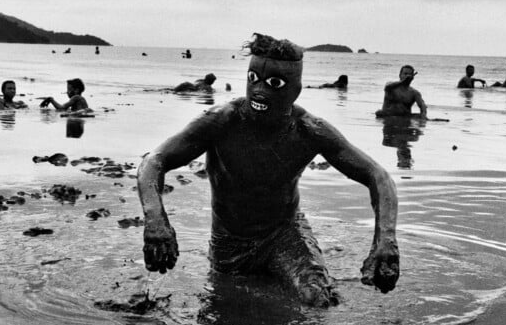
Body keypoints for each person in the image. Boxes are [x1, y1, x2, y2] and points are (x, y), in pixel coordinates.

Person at [137, 33, 400, 307]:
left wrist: (386, 241)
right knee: (225, 308)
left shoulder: (309, 131)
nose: (260, 90)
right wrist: (156, 223)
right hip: (229, 241)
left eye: (274, 83)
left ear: (295, 90)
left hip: (284, 235)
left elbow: (377, 176)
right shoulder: (221, 121)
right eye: (253, 79)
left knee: (318, 298)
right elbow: (153, 163)